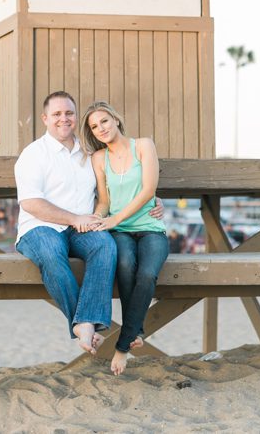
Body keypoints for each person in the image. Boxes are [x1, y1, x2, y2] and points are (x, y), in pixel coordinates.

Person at [14, 91, 117, 355]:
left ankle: (86, 322)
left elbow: (118, 183)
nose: (64, 119)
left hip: (81, 229)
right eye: (57, 114)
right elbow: (31, 203)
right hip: (39, 227)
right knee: (50, 253)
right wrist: (74, 218)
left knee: (105, 246)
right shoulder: (34, 154)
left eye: (69, 113)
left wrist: (154, 201)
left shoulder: (89, 153)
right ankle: (84, 324)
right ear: (45, 118)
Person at [82, 101, 169, 376]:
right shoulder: (99, 159)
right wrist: (98, 218)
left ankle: (122, 346)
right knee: (125, 265)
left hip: (150, 227)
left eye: (104, 121)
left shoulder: (143, 145)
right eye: (94, 127)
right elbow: (105, 202)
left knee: (147, 274)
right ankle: (136, 332)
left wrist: (114, 219)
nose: (101, 129)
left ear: (116, 120)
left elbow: (148, 191)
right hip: (119, 232)